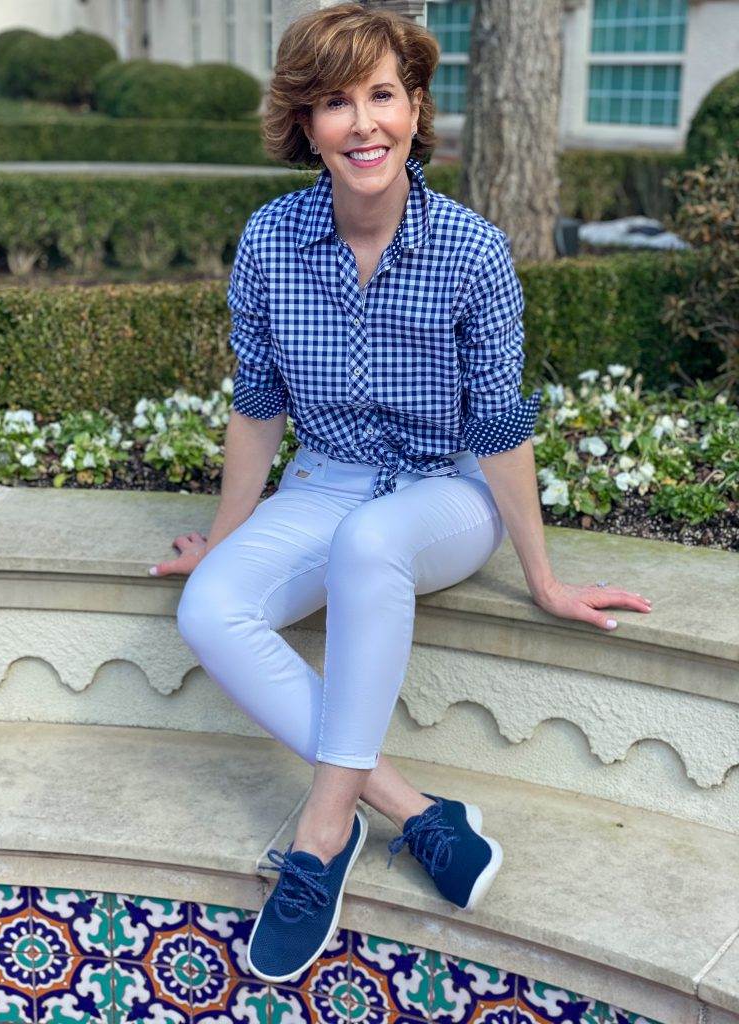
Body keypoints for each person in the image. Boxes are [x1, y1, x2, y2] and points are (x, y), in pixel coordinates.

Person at [158, 1, 652, 986]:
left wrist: (545, 579)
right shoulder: (270, 242)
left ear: (416, 106)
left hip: (445, 494)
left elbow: (501, 428)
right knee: (211, 608)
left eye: (381, 94)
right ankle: (417, 813)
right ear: (305, 125)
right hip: (326, 477)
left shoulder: (471, 252)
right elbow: (257, 405)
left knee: (374, 542)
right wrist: (224, 534)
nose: (363, 123)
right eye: (334, 102)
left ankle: (323, 833)